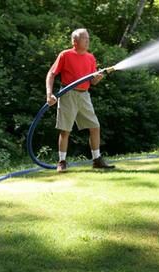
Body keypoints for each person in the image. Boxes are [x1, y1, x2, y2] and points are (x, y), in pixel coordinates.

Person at [45, 28, 115, 172]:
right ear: (74, 41)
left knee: (95, 126)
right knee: (65, 130)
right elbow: (51, 75)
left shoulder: (90, 57)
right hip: (67, 94)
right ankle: (62, 162)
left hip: (84, 95)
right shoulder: (65, 55)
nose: (88, 41)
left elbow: (92, 81)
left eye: (88, 38)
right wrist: (49, 94)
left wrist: (98, 78)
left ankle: (97, 160)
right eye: (85, 38)